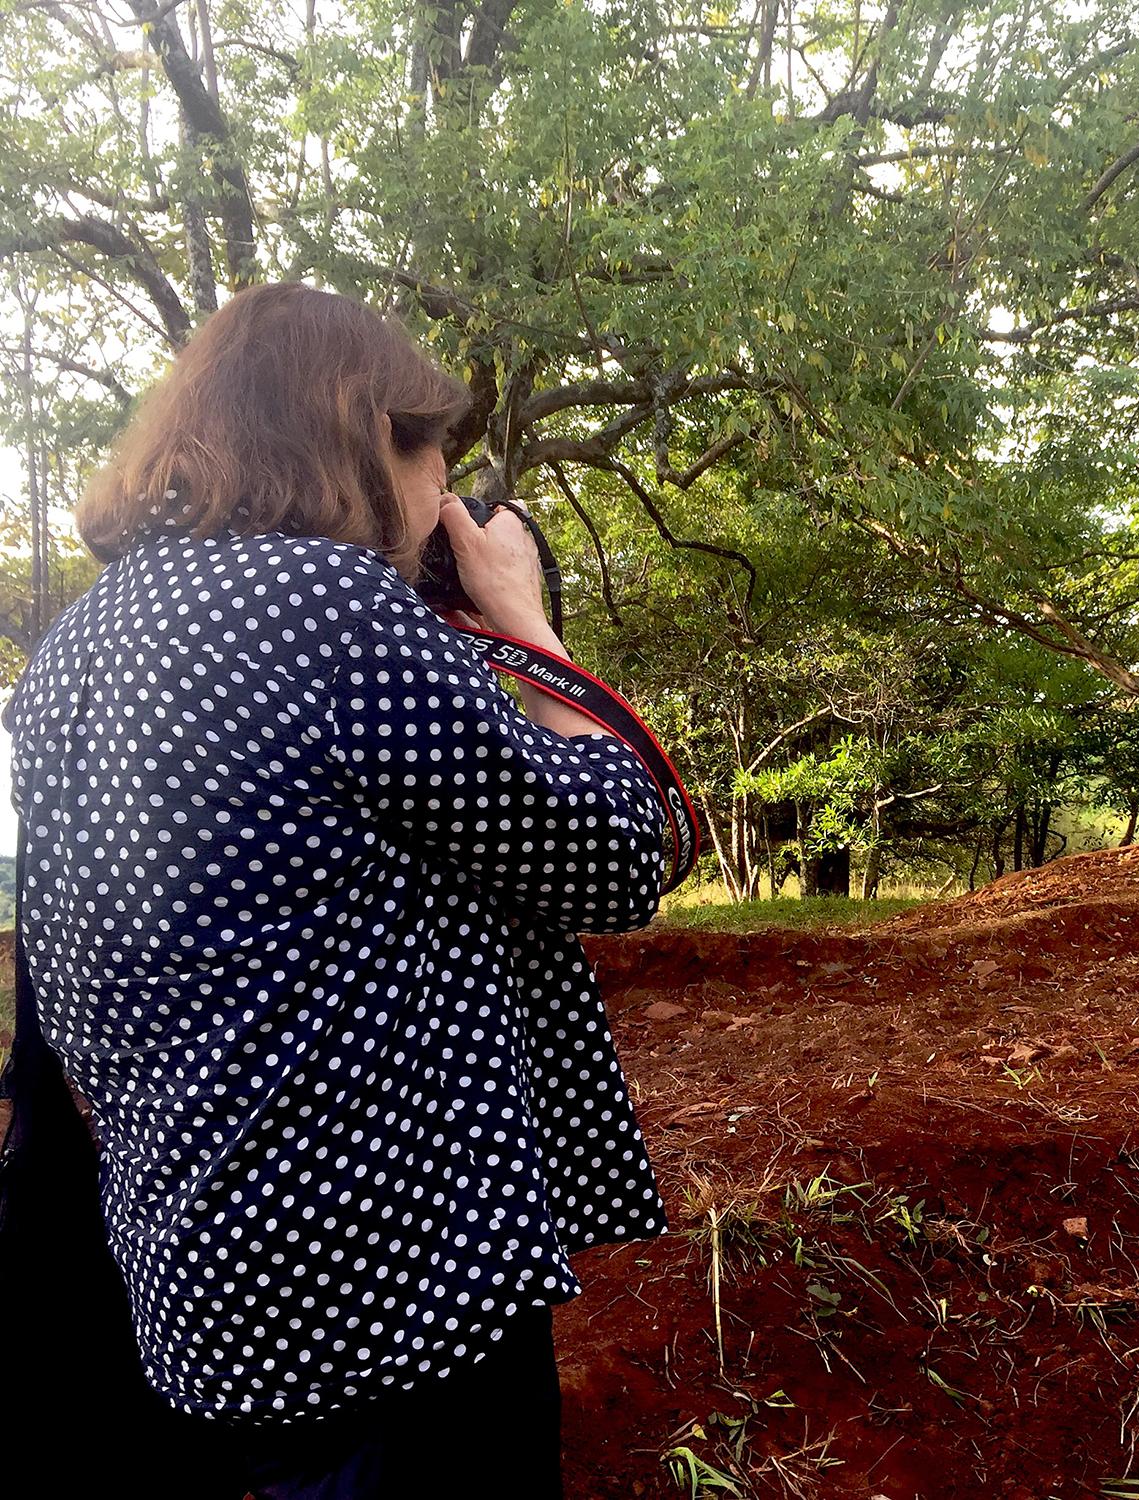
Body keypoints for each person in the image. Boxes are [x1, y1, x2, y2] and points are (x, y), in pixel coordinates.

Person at [0, 282, 673, 1495]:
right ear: (371, 440)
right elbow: (622, 854)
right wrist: (527, 625)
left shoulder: (82, 644)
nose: (442, 507)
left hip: (204, 1276)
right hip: (391, 1294)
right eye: (437, 464)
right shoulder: (327, 608)